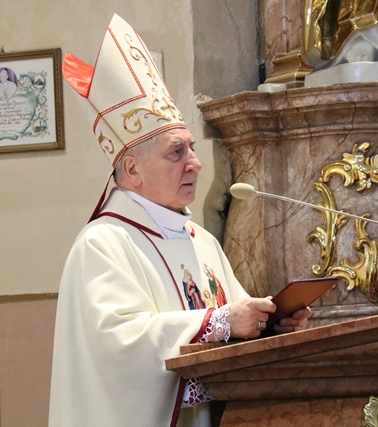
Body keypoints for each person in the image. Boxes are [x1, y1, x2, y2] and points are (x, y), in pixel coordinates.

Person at [48, 14, 311, 427]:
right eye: (177, 152)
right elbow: (118, 349)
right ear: (132, 170)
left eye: (191, 149)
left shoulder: (202, 241)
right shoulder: (102, 244)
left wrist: (271, 325)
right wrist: (218, 322)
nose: (195, 163)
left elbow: (236, 326)